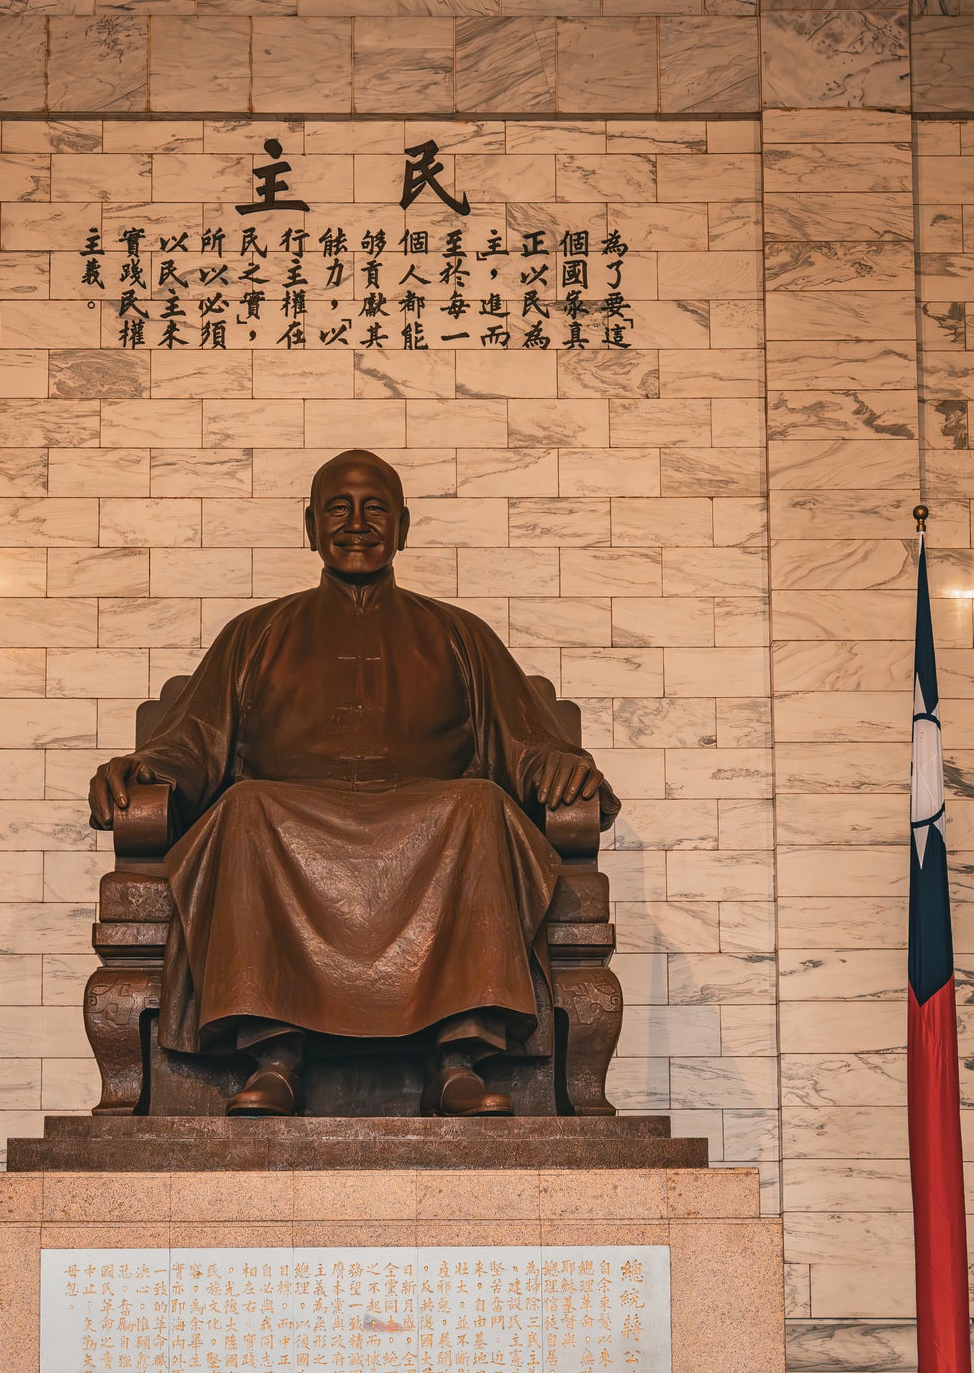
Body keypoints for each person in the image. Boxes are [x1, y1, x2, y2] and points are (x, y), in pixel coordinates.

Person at [89, 449, 618, 1117]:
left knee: (481, 805)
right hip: (284, 825)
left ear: (403, 524)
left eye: (376, 509)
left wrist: (563, 767)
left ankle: (457, 1059)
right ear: (311, 526)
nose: (358, 523)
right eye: (339, 508)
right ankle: (274, 1055)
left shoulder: (460, 635)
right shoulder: (255, 634)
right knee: (244, 807)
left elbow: (524, 744)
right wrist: (144, 770)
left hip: (436, 826)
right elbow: (195, 745)